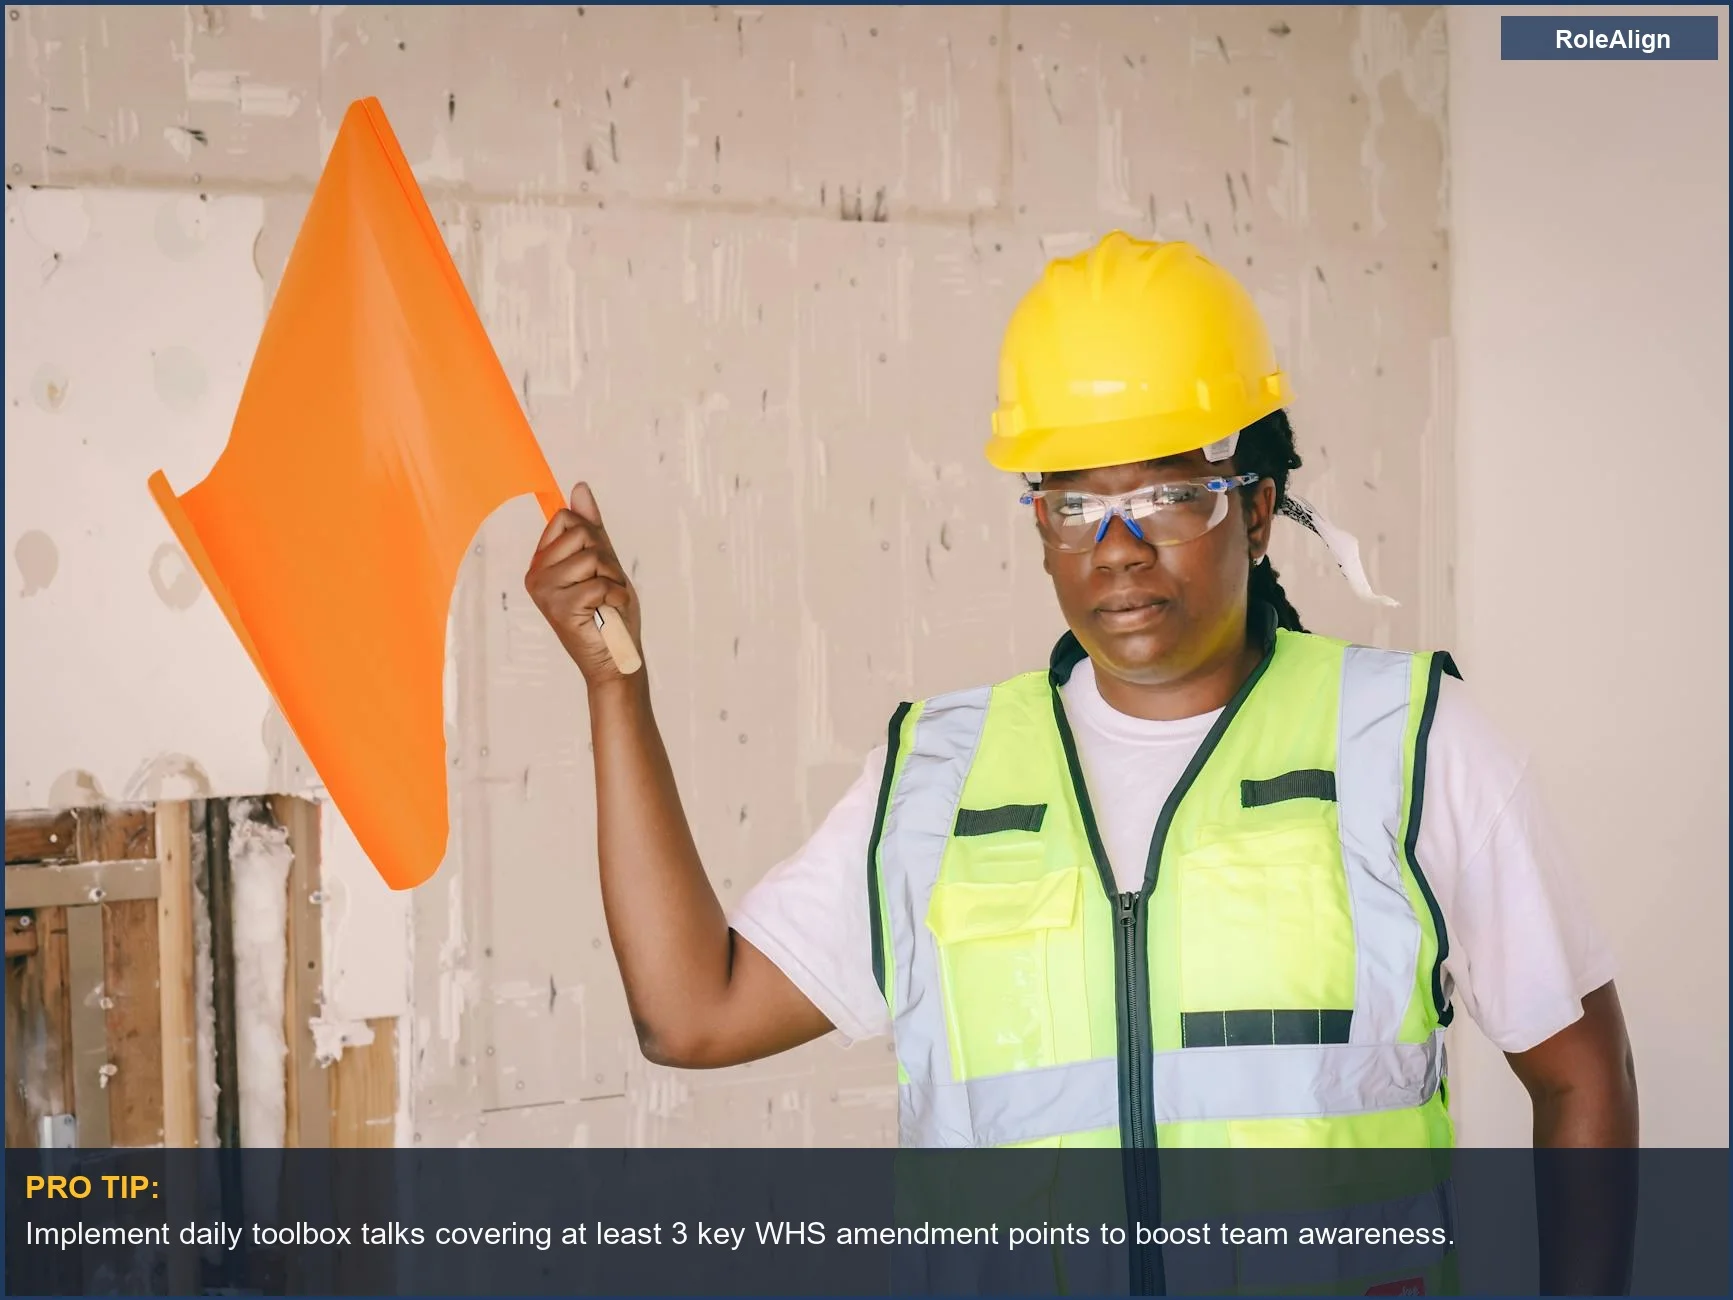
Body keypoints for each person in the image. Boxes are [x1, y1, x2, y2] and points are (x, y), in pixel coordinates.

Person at [524, 232, 1638, 1285]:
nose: (1117, 550)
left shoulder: (1406, 743)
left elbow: (1578, 1072)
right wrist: (614, 684)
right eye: (1074, 506)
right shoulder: (937, 777)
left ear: (1255, 511)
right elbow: (690, 1011)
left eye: (1166, 497)